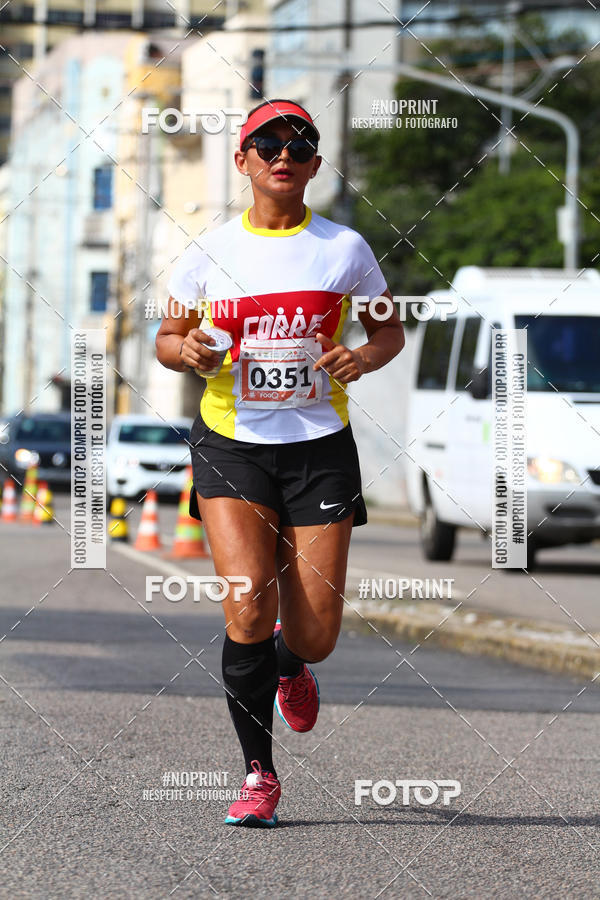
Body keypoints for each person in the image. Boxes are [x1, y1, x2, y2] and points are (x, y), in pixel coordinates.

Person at [156, 99, 404, 827]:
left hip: (318, 446)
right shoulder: (204, 252)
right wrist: (187, 350)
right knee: (248, 600)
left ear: (315, 165)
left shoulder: (345, 249)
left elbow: (388, 334)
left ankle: (290, 665)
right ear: (243, 161)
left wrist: (362, 354)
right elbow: (169, 338)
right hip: (231, 442)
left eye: (300, 144)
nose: (283, 154)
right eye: (267, 143)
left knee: (316, 633)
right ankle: (258, 775)